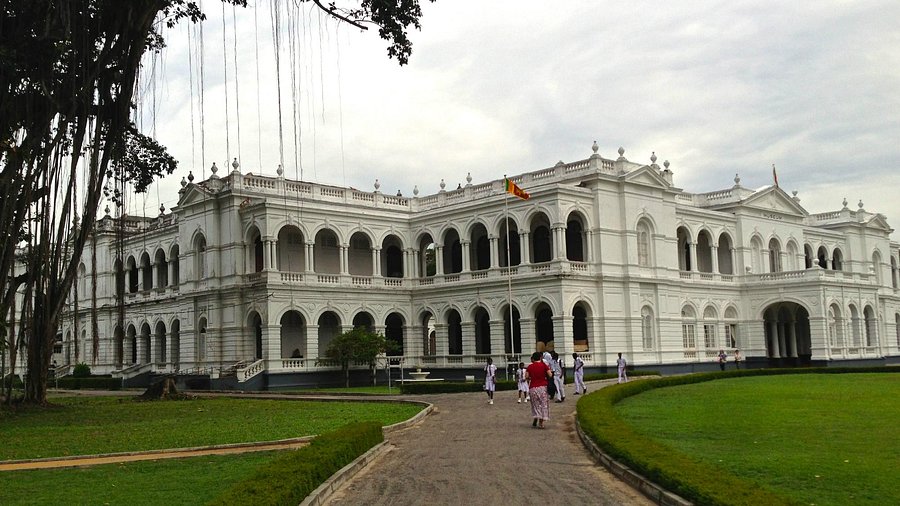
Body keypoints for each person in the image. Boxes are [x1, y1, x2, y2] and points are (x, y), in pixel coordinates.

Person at [525, 351, 552, 429]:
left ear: (533, 358)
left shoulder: (530, 367)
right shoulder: (544, 365)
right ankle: (541, 422)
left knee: (535, 405)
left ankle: (536, 417)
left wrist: (532, 377)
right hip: (543, 387)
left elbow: (526, 376)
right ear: (540, 358)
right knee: (543, 404)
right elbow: (550, 374)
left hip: (533, 387)